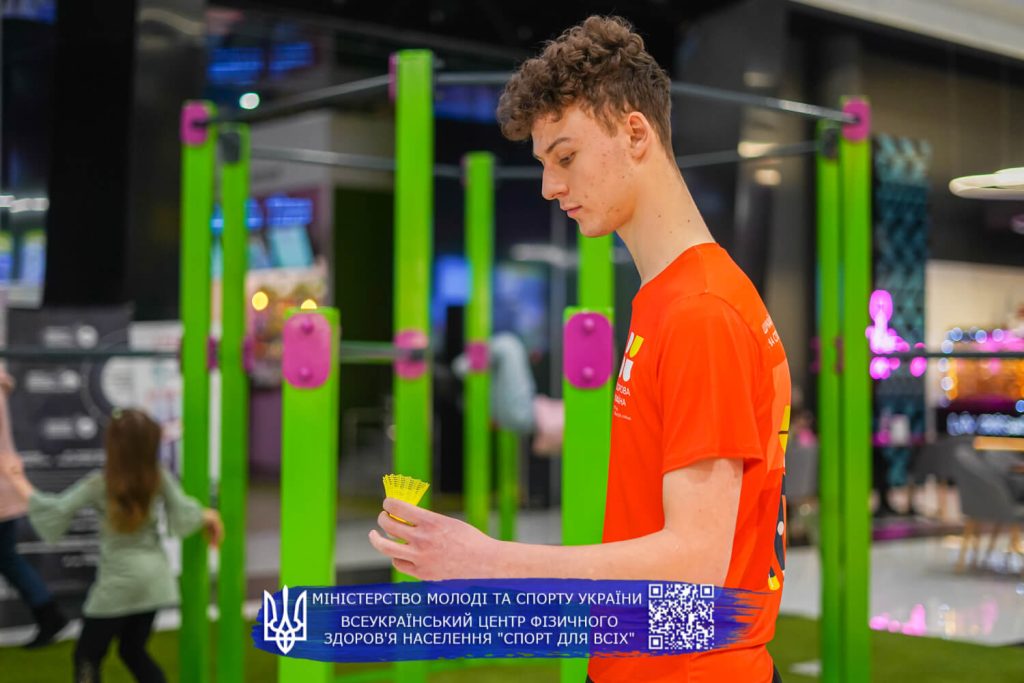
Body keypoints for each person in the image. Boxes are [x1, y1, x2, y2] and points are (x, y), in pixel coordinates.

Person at [368, 15, 790, 683]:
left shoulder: (701, 312)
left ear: (635, 134)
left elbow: (696, 565)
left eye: (565, 157)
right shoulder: (671, 297)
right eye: (543, 164)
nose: (550, 186)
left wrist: (490, 561)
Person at [1, 408, 224, 683]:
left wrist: (17, 478)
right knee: (133, 651)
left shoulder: (99, 484)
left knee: (86, 657)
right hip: (155, 582)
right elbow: (186, 512)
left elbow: (55, 509)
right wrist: (209, 516)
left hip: (117, 585)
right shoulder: (159, 477)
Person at [0, 367, 70, 647]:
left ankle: (49, 615)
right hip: (7, 483)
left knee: (8, 558)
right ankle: (48, 614)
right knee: (8, 558)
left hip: (5, 484)